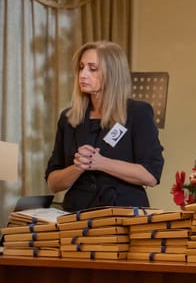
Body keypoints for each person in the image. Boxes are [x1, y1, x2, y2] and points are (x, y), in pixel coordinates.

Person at [45, 41, 163, 212]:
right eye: (81, 67)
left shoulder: (138, 113)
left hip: (124, 213)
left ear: (112, 73)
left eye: (92, 69)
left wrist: (101, 163)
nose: (83, 75)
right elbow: (53, 183)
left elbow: (151, 176)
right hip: (77, 214)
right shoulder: (69, 118)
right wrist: (78, 167)